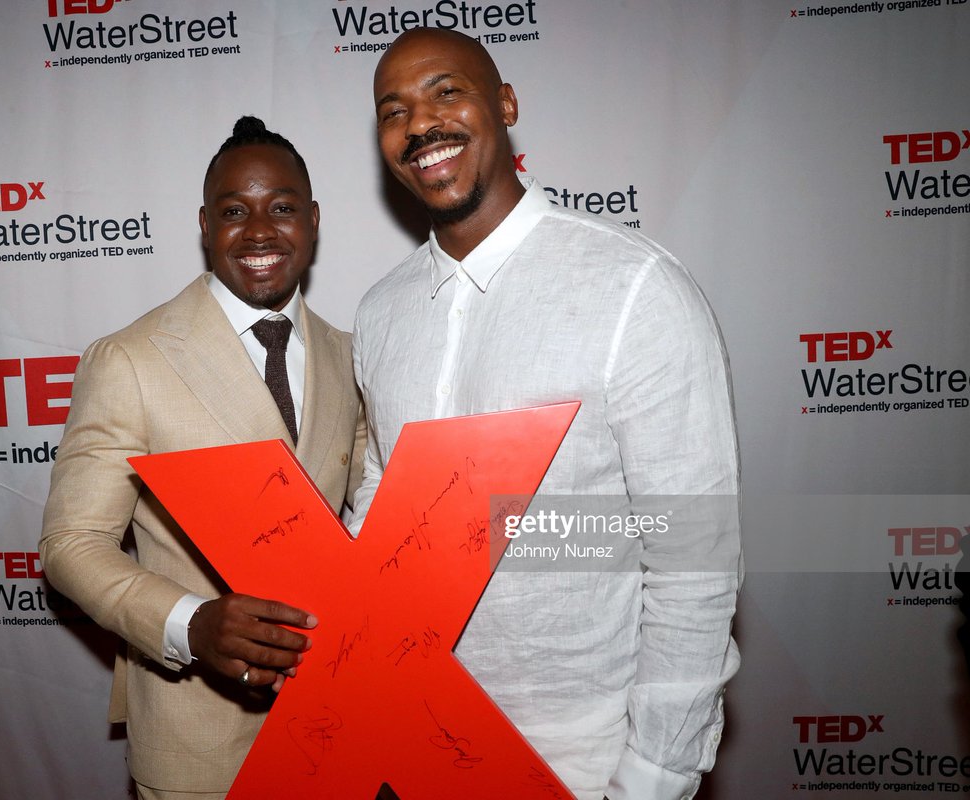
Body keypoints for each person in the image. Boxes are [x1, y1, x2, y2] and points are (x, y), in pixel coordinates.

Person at [350, 28, 741, 800]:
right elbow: (380, 502)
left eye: (446, 91)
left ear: (505, 104)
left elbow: (693, 560)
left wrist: (656, 774)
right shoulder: (380, 311)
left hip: (583, 757)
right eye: (394, 110)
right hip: (410, 740)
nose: (420, 124)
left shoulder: (634, 288)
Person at [40, 116, 364, 800]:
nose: (259, 231)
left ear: (312, 220)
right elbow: (72, 543)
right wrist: (192, 623)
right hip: (199, 748)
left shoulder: (347, 354)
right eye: (233, 212)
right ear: (204, 225)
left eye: (280, 208)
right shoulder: (131, 358)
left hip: (339, 730)